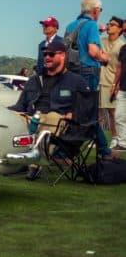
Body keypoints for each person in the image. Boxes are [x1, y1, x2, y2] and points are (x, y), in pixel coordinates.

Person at [9, 40, 91, 179]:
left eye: (51, 54)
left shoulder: (76, 81)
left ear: (62, 56)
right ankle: (13, 160)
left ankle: (34, 165)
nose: (47, 57)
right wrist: (3, 112)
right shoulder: (34, 80)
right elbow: (20, 106)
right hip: (33, 117)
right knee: (10, 117)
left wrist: (74, 114)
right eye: (45, 54)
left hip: (59, 121)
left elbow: (88, 106)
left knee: (52, 116)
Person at [64, 0, 113, 159]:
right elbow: (93, 51)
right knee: (89, 113)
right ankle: (104, 150)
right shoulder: (91, 24)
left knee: (75, 111)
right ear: (95, 10)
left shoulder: (71, 25)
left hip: (71, 71)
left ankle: (65, 150)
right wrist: (105, 57)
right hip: (88, 71)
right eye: (100, 9)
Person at [100, 16, 124, 141]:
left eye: (113, 24)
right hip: (98, 80)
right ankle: (98, 138)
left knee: (113, 112)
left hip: (112, 83)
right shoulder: (101, 41)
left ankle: (116, 138)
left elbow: (122, 68)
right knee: (98, 113)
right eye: (109, 24)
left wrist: (117, 84)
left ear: (120, 29)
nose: (109, 26)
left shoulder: (122, 45)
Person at [113, 36, 126, 150]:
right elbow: (119, 68)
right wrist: (114, 84)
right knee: (119, 116)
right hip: (123, 88)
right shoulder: (123, 48)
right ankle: (122, 143)